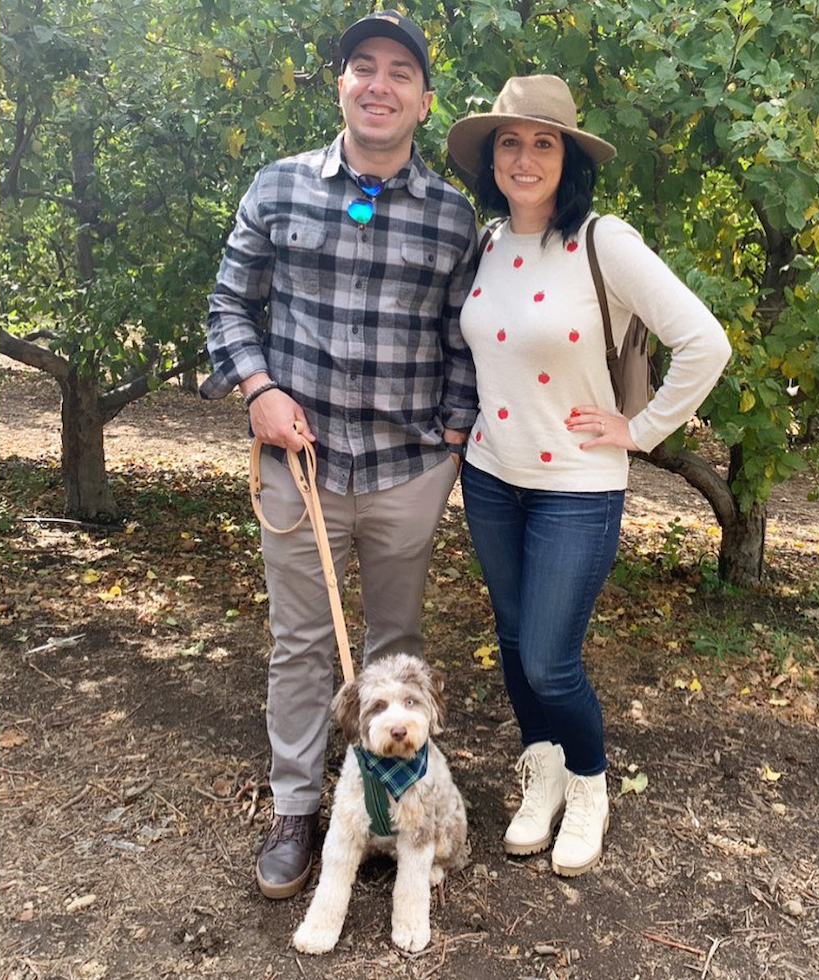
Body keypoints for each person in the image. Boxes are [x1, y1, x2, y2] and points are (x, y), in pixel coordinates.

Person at [201, 11, 477, 900]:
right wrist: (259, 390)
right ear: (341, 84)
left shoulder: (450, 214)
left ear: (424, 102)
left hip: (407, 472)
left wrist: (454, 431)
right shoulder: (278, 187)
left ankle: (392, 812)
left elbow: (461, 338)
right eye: (364, 67)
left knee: (396, 651)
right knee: (302, 649)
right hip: (302, 473)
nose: (380, 84)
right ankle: (296, 808)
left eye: (400, 72)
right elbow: (228, 308)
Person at [446, 75, 731, 877]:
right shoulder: (486, 244)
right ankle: (539, 775)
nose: (525, 156)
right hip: (491, 477)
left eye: (544, 142)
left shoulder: (606, 242)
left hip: (578, 486)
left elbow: (705, 343)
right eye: (510, 141)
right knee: (511, 639)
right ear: (491, 158)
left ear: (568, 159)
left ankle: (589, 784)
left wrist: (638, 431)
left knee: (549, 659)